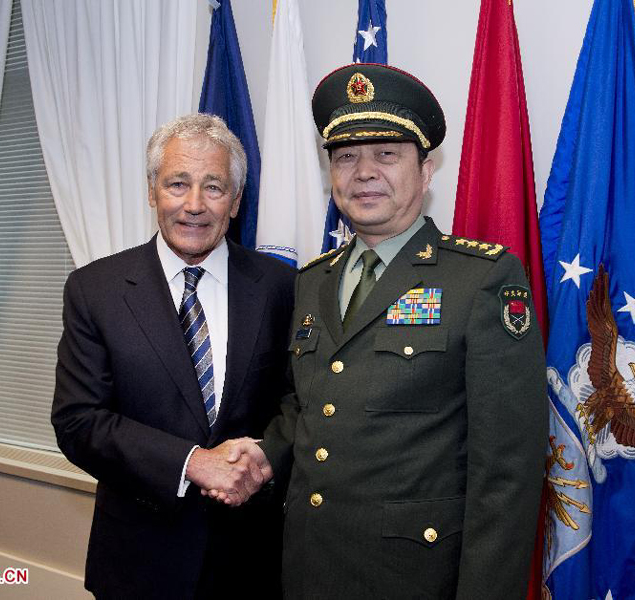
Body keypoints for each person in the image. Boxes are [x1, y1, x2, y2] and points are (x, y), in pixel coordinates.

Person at [209, 64, 548, 599]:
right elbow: (309, 405)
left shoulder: (481, 278)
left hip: (415, 578)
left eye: (386, 154)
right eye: (345, 157)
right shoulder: (312, 282)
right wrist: (262, 456)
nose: (364, 172)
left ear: (427, 169)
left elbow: (507, 473)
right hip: (308, 566)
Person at [52, 113, 295, 599]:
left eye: (214, 187)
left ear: (237, 200)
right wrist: (191, 462)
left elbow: (299, 400)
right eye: (177, 183)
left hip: (252, 564)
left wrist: (265, 457)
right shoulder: (95, 290)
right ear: (151, 191)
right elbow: (79, 421)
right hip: (139, 564)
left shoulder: (282, 286)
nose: (194, 205)